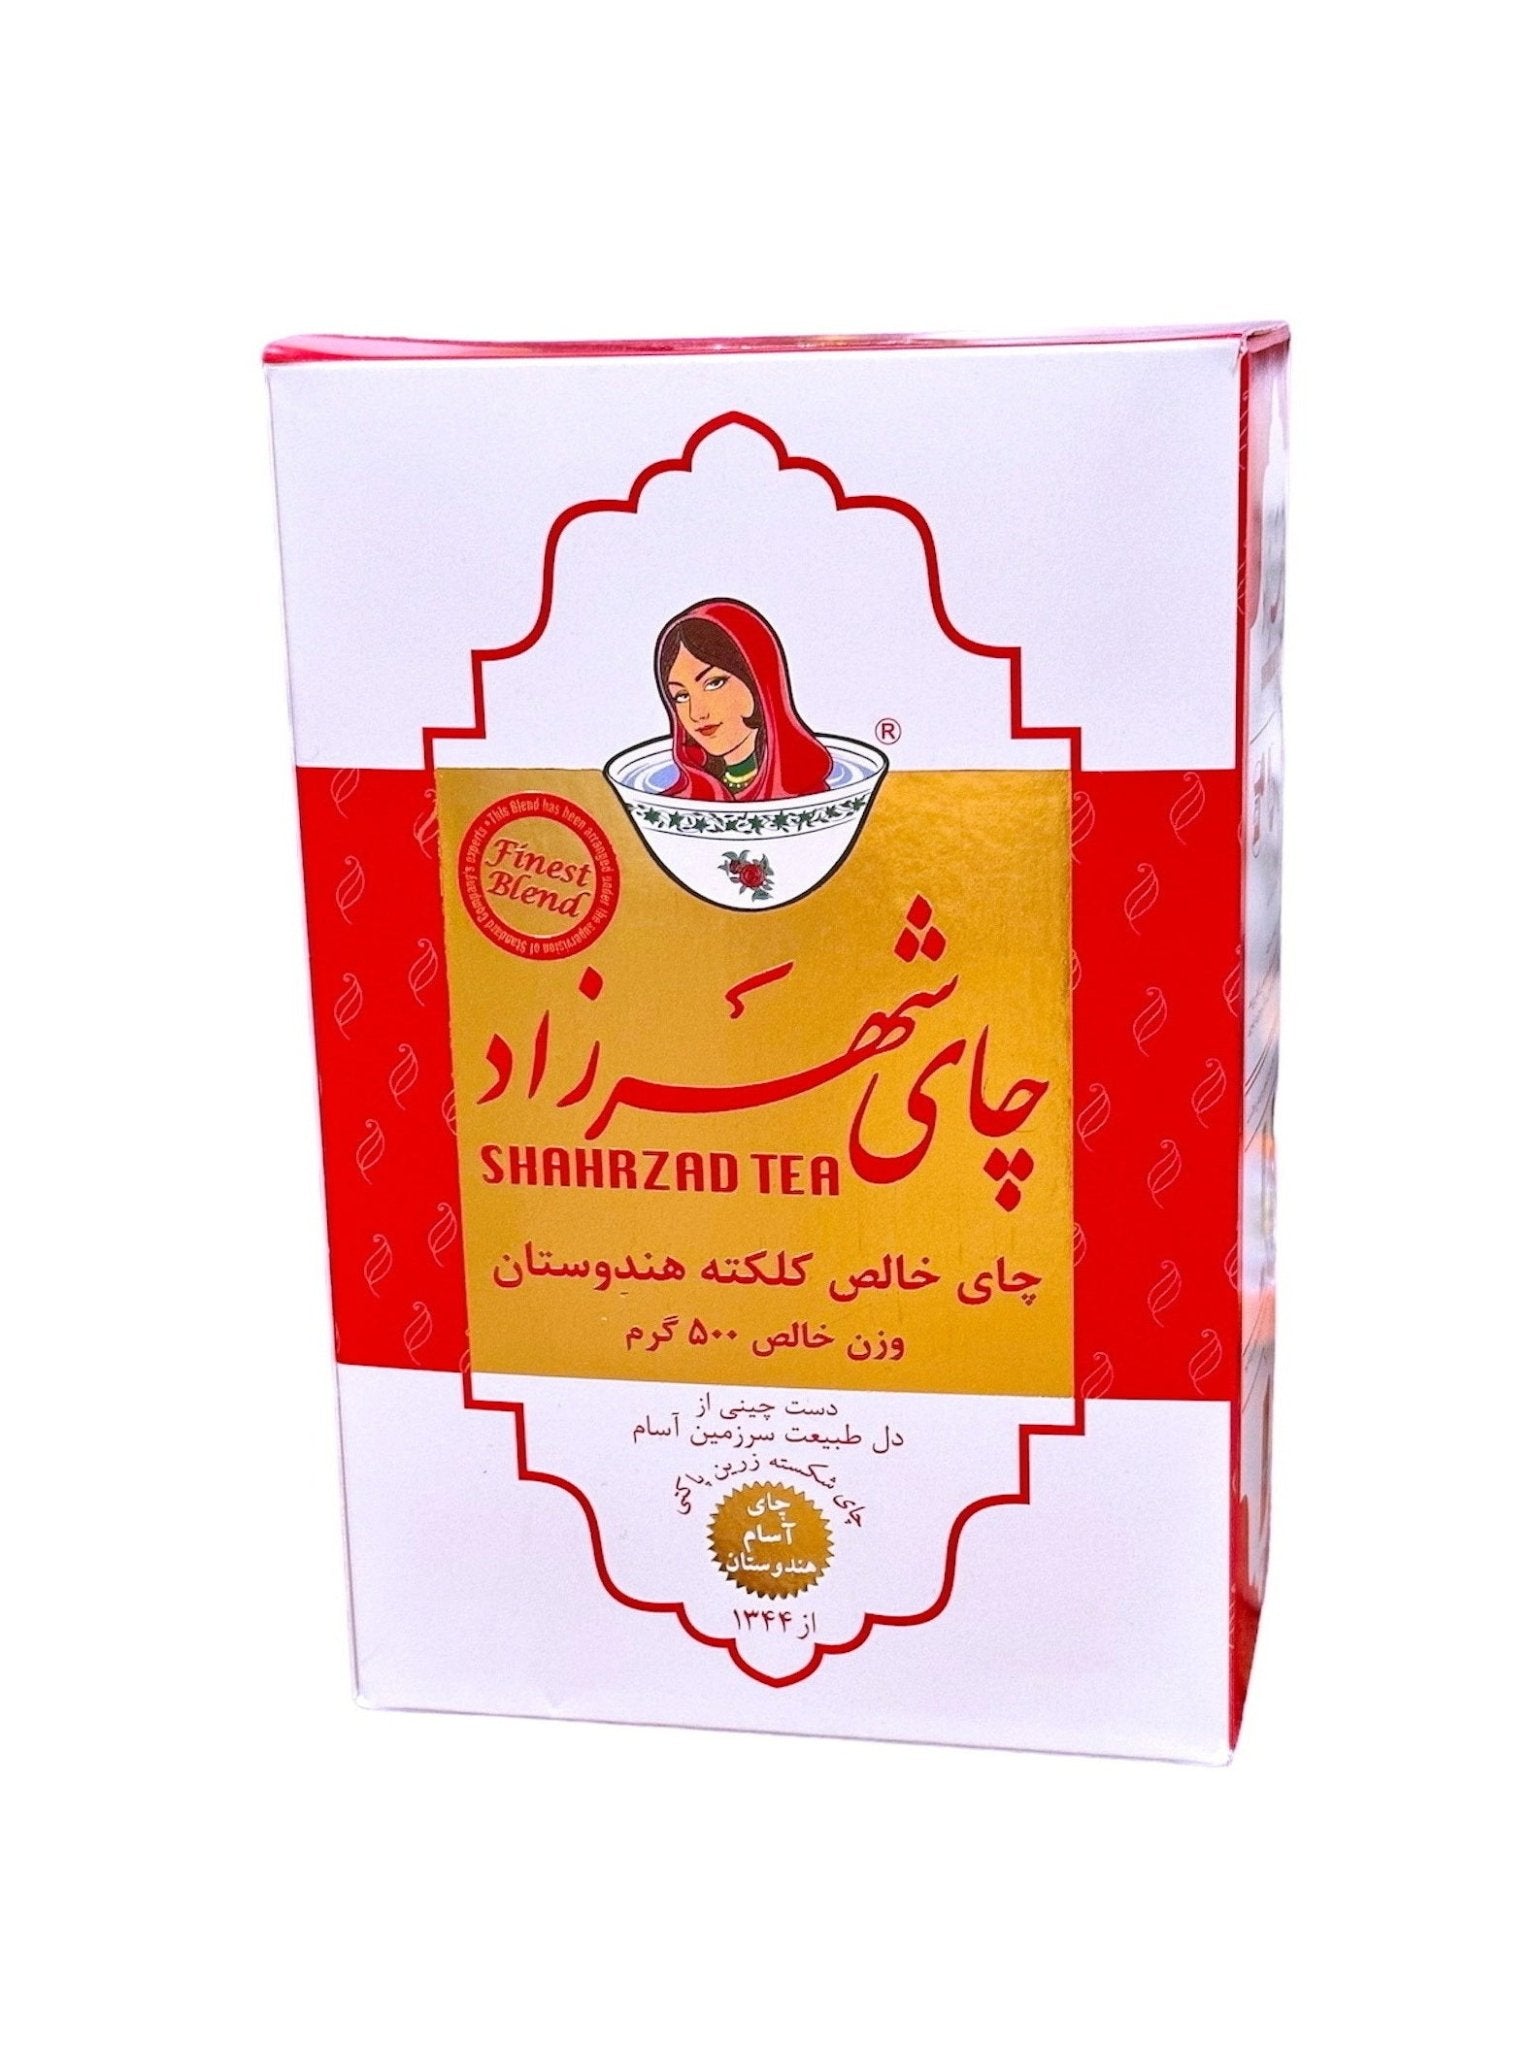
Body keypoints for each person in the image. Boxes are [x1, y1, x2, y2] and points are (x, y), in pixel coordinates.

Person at [654, 599, 833, 801]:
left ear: (758, 681)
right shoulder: (676, 804)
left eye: (714, 683)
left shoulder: (808, 797)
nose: (697, 713)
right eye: (681, 696)